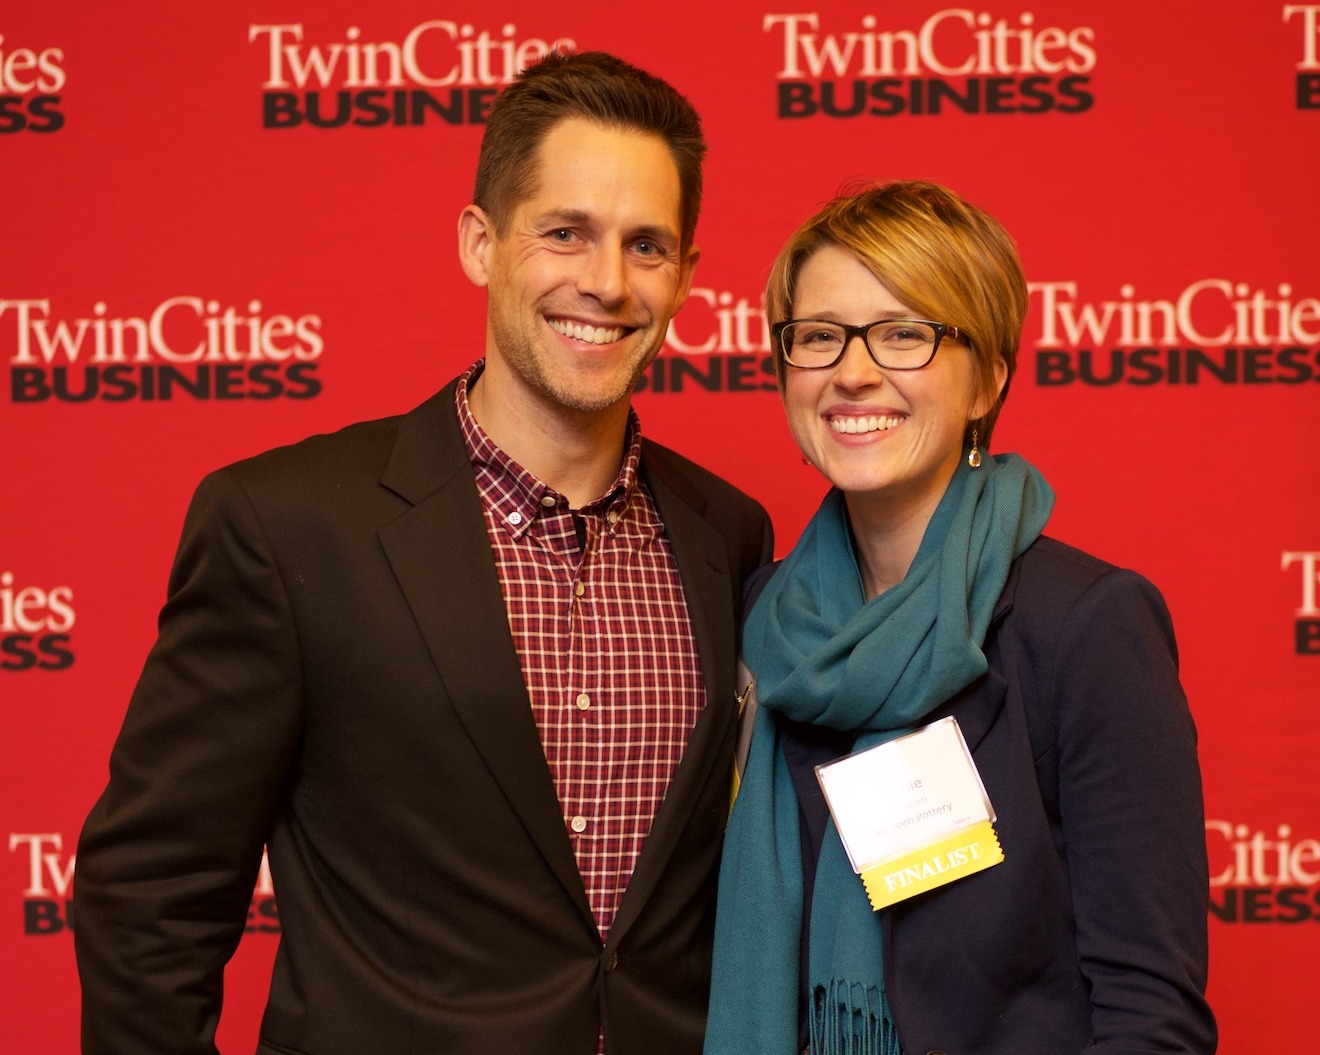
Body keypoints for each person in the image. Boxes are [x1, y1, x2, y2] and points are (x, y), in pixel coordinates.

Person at [73, 50, 773, 1055]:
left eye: (647, 244)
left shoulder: (728, 532)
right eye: (565, 232)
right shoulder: (286, 525)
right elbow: (150, 894)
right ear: (480, 244)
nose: (607, 282)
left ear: (689, 274)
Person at [703, 181, 1215, 1055]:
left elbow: (1150, 1014)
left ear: (989, 377)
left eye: (904, 333)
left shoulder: (1084, 626)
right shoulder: (759, 620)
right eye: (819, 336)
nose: (852, 370)